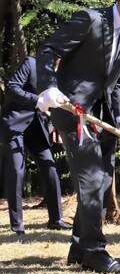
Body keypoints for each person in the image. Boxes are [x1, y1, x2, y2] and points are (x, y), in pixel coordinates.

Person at [35, 0, 120, 274]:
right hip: (73, 113)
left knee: (102, 183)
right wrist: (48, 88)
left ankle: (79, 250)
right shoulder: (90, 20)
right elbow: (48, 51)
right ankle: (94, 251)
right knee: (91, 179)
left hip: (103, 119)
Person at [0, 56, 71, 234]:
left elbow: (57, 103)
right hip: (14, 123)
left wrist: (55, 125)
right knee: (17, 170)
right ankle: (17, 224)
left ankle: (56, 219)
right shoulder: (30, 63)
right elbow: (12, 88)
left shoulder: (61, 75)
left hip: (37, 127)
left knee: (50, 167)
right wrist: (37, 101)